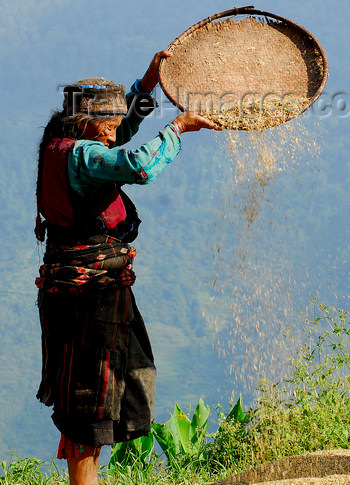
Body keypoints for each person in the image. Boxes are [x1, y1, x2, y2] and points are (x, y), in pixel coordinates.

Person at [34, 50, 221, 485]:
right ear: (93, 124)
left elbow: (123, 136)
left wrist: (149, 81)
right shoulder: (85, 157)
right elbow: (138, 165)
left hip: (82, 288)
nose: (117, 127)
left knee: (95, 397)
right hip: (88, 297)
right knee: (88, 400)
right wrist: (178, 128)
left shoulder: (65, 148)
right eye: (112, 121)